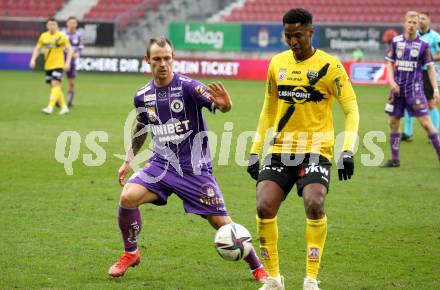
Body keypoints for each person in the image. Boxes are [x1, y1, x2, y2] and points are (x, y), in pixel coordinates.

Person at [107, 37, 268, 283]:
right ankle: (131, 253)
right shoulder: (142, 96)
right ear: (147, 60)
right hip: (161, 166)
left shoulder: (189, 87)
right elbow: (141, 125)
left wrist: (225, 107)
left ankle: (257, 267)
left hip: (194, 170)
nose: (163, 64)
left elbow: (218, 104)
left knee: (222, 223)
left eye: (167, 58)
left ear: (173, 58)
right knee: (128, 197)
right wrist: (129, 159)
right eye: (157, 59)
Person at [246, 8, 359, 290]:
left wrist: (347, 150)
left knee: (314, 203)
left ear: (311, 32)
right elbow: (268, 110)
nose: (293, 42)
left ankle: (310, 278)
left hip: (317, 149)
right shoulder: (276, 64)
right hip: (281, 149)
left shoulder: (331, 67)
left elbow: (351, 109)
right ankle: (274, 278)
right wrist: (254, 149)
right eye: (288, 36)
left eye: (298, 35)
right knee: (264, 205)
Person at [382, 11, 440, 167]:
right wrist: (391, 81)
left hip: (415, 90)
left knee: (426, 124)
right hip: (397, 90)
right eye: (410, 22)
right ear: (404, 23)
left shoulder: (423, 45)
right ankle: (395, 160)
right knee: (393, 122)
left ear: (418, 25)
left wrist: (435, 89)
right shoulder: (396, 42)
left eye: (415, 23)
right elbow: (389, 62)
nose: (412, 25)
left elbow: (430, 68)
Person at [401, 11, 440, 142]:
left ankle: (433, 133)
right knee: (408, 102)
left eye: (424, 19)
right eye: (420, 19)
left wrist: (428, 58)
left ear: (429, 20)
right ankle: (407, 133)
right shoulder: (413, 36)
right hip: (413, 72)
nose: (422, 21)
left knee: (430, 104)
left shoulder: (436, 37)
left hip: (427, 72)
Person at [29, 17, 73, 115]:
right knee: (54, 86)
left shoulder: (61, 36)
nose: (52, 26)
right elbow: (37, 49)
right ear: (47, 26)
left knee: (55, 84)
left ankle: (50, 107)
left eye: (54, 24)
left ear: (57, 26)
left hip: (58, 64)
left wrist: (67, 63)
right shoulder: (43, 36)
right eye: (50, 24)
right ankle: (64, 107)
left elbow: (70, 50)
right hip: (48, 65)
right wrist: (33, 60)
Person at [63, 16, 84, 108]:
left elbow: (81, 47)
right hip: (61, 61)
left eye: (74, 23)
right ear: (67, 24)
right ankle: (57, 100)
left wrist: (77, 54)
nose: (72, 24)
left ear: (76, 24)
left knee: (71, 83)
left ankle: (70, 101)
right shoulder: (62, 35)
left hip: (73, 62)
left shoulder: (78, 36)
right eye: (70, 22)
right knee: (57, 82)